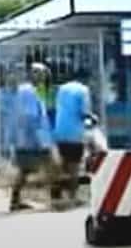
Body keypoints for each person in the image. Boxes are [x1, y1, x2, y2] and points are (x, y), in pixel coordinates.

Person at [9, 63, 56, 212]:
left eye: (43, 73)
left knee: (26, 170)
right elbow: (30, 116)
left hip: (30, 138)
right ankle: (56, 199)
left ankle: (16, 200)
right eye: (38, 73)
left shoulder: (32, 90)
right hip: (33, 139)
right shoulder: (28, 91)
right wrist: (40, 138)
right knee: (51, 165)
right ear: (32, 74)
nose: (42, 76)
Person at [51, 69, 92, 208]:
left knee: (61, 166)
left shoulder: (61, 89)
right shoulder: (83, 90)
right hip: (75, 134)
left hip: (59, 132)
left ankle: (55, 196)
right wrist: (92, 118)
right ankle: (73, 198)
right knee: (74, 167)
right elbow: (84, 112)